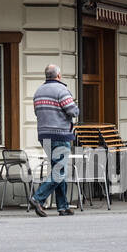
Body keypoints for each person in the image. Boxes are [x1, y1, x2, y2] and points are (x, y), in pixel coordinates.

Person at [30, 64, 79, 217]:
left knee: (57, 169)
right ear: (58, 76)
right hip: (60, 135)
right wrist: (76, 109)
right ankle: (38, 198)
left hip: (44, 136)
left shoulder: (38, 92)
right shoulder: (62, 90)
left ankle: (62, 206)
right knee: (60, 170)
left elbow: (36, 112)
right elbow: (72, 110)